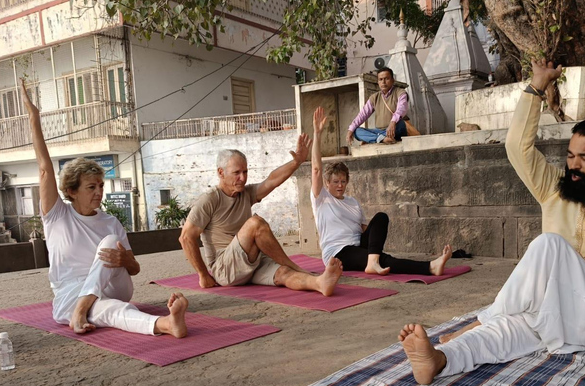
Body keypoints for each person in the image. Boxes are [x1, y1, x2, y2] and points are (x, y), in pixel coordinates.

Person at [398, 59, 585, 385]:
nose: (574, 165)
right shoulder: (554, 187)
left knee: (548, 244)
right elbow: (517, 148)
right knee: (510, 329)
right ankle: (440, 360)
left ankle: (477, 322)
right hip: (556, 308)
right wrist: (537, 87)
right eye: (570, 155)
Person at [21, 79, 188, 337]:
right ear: (71, 192)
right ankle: (165, 324)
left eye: (100, 185)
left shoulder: (110, 222)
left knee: (110, 241)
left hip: (114, 286)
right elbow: (44, 170)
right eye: (91, 187)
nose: (99, 192)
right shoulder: (57, 216)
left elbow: (134, 270)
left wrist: (126, 260)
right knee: (108, 310)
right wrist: (34, 119)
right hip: (69, 293)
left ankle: (82, 308)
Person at [179, 139, 343, 296]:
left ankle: (320, 283)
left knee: (283, 274)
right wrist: (203, 274)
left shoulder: (246, 193)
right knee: (255, 223)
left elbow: (271, 181)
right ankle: (294, 266)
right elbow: (186, 237)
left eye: (245, 172)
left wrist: (297, 162)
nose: (242, 178)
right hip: (225, 269)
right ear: (221, 173)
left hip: (250, 262)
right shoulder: (209, 200)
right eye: (236, 173)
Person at [313, 106, 451, 276]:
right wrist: (317, 134)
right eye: (335, 182)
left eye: (343, 181)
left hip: (358, 245)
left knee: (380, 217)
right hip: (338, 253)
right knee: (383, 259)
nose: (340, 185)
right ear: (327, 183)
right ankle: (429, 267)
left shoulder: (352, 202)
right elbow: (316, 170)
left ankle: (372, 261)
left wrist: (373, 247)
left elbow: (365, 230)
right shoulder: (321, 199)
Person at [346, 67, 409, 145]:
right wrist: (350, 130)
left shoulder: (400, 92)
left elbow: (402, 109)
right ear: (378, 82)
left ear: (393, 80)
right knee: (357, 131)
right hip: (381, 131)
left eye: (386, 79)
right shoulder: (374, 97)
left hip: (396, 128)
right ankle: (381, 138)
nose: (383, 82)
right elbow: (363, 114)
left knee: (400, 124)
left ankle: (376, 138)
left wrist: (393, 123)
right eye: (381, 79)